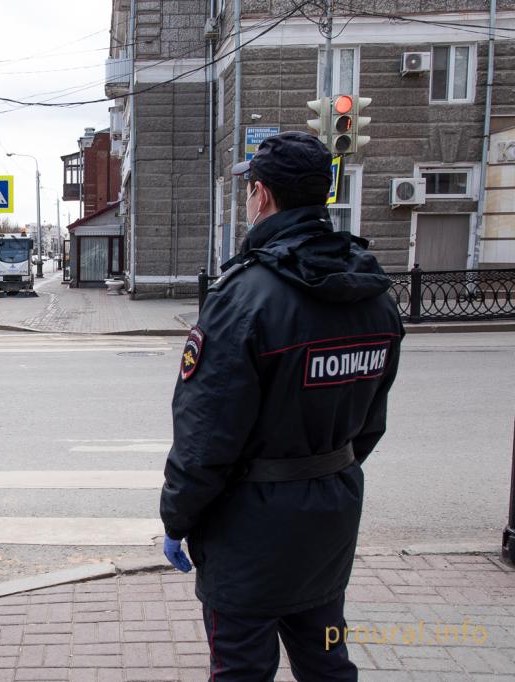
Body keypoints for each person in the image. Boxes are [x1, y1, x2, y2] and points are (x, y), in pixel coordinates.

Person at [160, 131, 404, 681]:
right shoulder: (373, 293)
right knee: (326, 660)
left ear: (262, 195)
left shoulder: (245, 296)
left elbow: (205, 437)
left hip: (247, 529)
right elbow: (370, 423)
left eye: (250, 189)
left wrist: (177, 517)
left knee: (241, 669)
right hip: (330, 515)